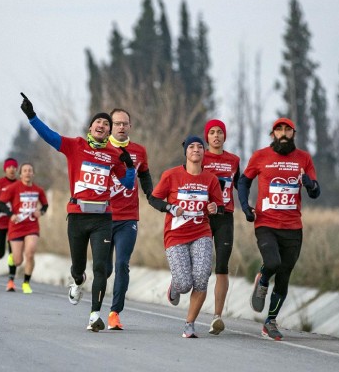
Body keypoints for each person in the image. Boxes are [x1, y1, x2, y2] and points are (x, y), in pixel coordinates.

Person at [19, 92, 135, 332]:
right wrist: (32, 116)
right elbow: (49, 137)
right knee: (78, 267)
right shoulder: (75, 146)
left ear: (109, 131)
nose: (102, 125)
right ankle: (77, 280)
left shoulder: (113, 155)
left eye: (107, 124)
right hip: (77, 215)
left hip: (103, 217)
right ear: (90, 127)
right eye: (99, 122)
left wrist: (129, 165)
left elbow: (128, 184)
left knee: (101, 267)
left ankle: (94, 315)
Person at [238, 117, 320, 341]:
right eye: (279, 130)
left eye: (288, 130)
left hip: (293, 227)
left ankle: (270, 322)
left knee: (284, 275)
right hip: (266, 223)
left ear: (293, 134)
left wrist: (310, 184)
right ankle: (263, 280)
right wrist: (245, 207)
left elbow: (315, 191)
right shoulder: (260, 156)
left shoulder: (303, 158)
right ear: (272, 134)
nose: (283, 133)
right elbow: (243, 182)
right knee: (273, 262)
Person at [149, 135, 223, 338]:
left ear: (204, 152)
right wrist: (170, 207)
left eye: (200, 147)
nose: (197, 150)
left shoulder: (211, 179)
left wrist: (215, 207)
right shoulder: (171, 175)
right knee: (184, 283)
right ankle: (175, 286)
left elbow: (220, 206)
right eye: (192, 147)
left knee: (201, 278)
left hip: (201, 233)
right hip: (176, 235)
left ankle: (189, 324)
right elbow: (154, 199)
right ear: (186, 152)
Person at [104, 108, 152, 331]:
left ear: (130, 126)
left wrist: (153, 196)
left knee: (122, 263)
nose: (121, 127)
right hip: (103, 217)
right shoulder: (102, 148)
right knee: (104, 269)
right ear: (110, 126)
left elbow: (145, 177)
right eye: (117, 123)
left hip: (128, 217)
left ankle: (115, 313)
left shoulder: (139, 151)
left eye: (125, 123)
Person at [201, 119, 241, 335]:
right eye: (212, 132)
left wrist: (247, 206)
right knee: (202, 265)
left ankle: (217, 317)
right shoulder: (200, 156)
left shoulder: (234, 160)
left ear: (224, 136)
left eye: (220, 132)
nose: (216, 136)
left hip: (225, 216)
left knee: (222, 266)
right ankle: (179, 284)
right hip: (203, 216)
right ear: (206, 137)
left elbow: (240, 185)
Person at [0, 163, 48, 294]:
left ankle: (26, 283)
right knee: (17, 260)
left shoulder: (38, 190)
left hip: (31, 226)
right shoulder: (13, 187)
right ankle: (11, 279)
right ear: (20, 174)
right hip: (16, 226)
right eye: (25, 171)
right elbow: (1, 204)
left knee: (30, 253)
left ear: (33, 174)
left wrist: (40, 212)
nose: (27, 173)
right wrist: (10, 215)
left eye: (30, 170)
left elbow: (45, 205)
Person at [0, 158, 20, 290]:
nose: (12, 169)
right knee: (2, 252)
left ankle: (11, 280)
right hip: (0, 221)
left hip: (14, 223)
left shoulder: (20, 185)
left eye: (14, 167)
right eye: (9, 167)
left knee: (12, 252)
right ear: (5, 169)